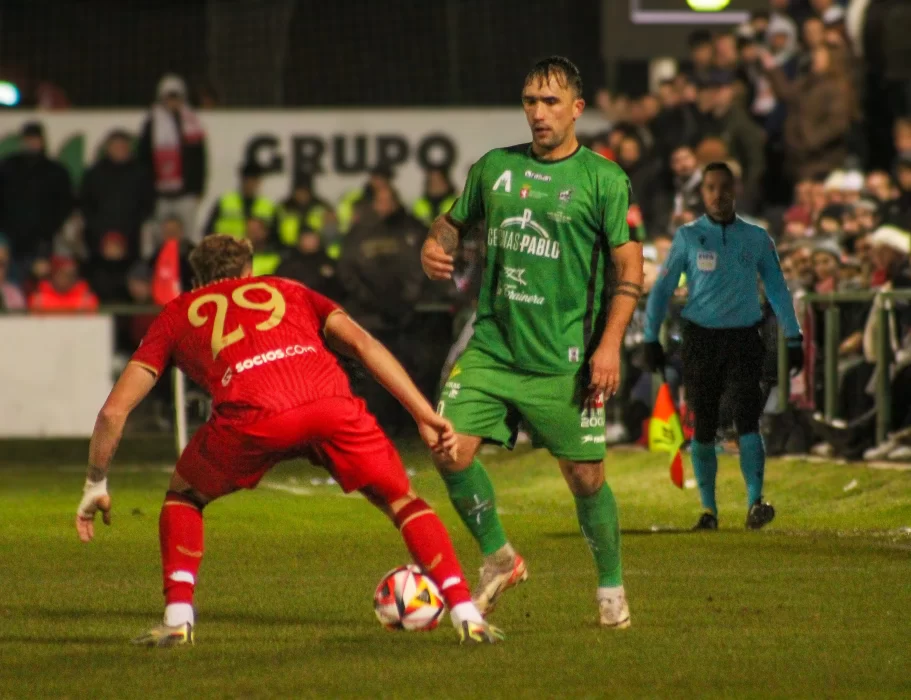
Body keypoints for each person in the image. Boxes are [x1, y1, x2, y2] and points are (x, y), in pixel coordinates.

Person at [74, 234, 502, 647]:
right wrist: (424, 413)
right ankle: (467, 613)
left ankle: (178, 619)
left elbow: (114, 411)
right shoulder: (290, 288)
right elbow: (364, 345)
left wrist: (96, 481)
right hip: (328, 403)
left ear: (197, 282)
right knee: (403, 501)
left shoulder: (177, 311)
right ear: (249, 271)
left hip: (253, 416)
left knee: (184, 497)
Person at [420, 57, 644, 628]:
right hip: (493, 349)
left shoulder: (604, 179)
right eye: (529, 101)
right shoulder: (494, 169)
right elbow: (453, 222)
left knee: (586, 478)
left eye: (550, 102)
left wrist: (610, 345)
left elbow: (629, 269)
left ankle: (611, 589)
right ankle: (499, 557)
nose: (538, 113)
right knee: (447, 448)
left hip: (564, 361)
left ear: (577, 109)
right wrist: (434, 243)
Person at [642, 163, 804, 531]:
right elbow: (663, 290)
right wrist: (651, 336)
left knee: (748, 420)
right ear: (702, 193)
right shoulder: (688, 237)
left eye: (724, 187)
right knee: (704, 424)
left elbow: (778, 289)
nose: (718, 194)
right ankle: (709, 511)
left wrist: (794, 338)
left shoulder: (757, 238)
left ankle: (754, 503)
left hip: (746, 338)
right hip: (702, 339)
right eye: (711, 187)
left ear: (736, 189)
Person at [137, 74, 207, 244]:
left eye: (176, 97)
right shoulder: (152, 123)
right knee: (159, 236)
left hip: (185, 192)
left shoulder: (192, 124)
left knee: (189, 236)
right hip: (160, 194)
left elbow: (200, 160)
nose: (172, 101)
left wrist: (197, 189)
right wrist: (148, 192)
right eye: (169, 97)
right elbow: (144, 159)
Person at [0, 121, 73, 264]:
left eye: (35, 139)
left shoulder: (56, 171)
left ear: (42, 140)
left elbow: (65, 203)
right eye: (28, 139)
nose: (32, 143)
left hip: (43, 239)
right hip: (11, 237)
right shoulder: (8, 167)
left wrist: (50, 228)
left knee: (41, 279)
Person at [80, 129, 155, 263]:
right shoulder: (94, 174)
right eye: (116, 146)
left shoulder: (141, 174)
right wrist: (101, 232)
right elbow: (85, 204)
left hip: (132, 235)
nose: (119, 150)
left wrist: (131, 226)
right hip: (98, 236)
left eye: (123, 146)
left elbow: (148, 204)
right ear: (108, 148)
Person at [202, 162, 275, 239]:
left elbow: (275, 238)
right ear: (242, 180)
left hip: (257, 250)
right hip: (228, 250)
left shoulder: (269, 207)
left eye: (253, 180)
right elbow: (208, 231)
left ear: (259, 182)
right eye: (248, 179)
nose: (250, 184)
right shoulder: (225, 202)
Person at [275, 173, 338, 256]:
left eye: (305, 191)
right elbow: (275, 231)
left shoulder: (322, 207)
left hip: (318, 250)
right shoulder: (283, 208)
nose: (302, 194)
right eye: (299, 190)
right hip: (288, 251)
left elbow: (331, 233)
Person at [28, 255, 99, 313]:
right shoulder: (39, 299)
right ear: (53, 275)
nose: (66, 278)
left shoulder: (86, 299)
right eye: (62, 274)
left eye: (70, 275)